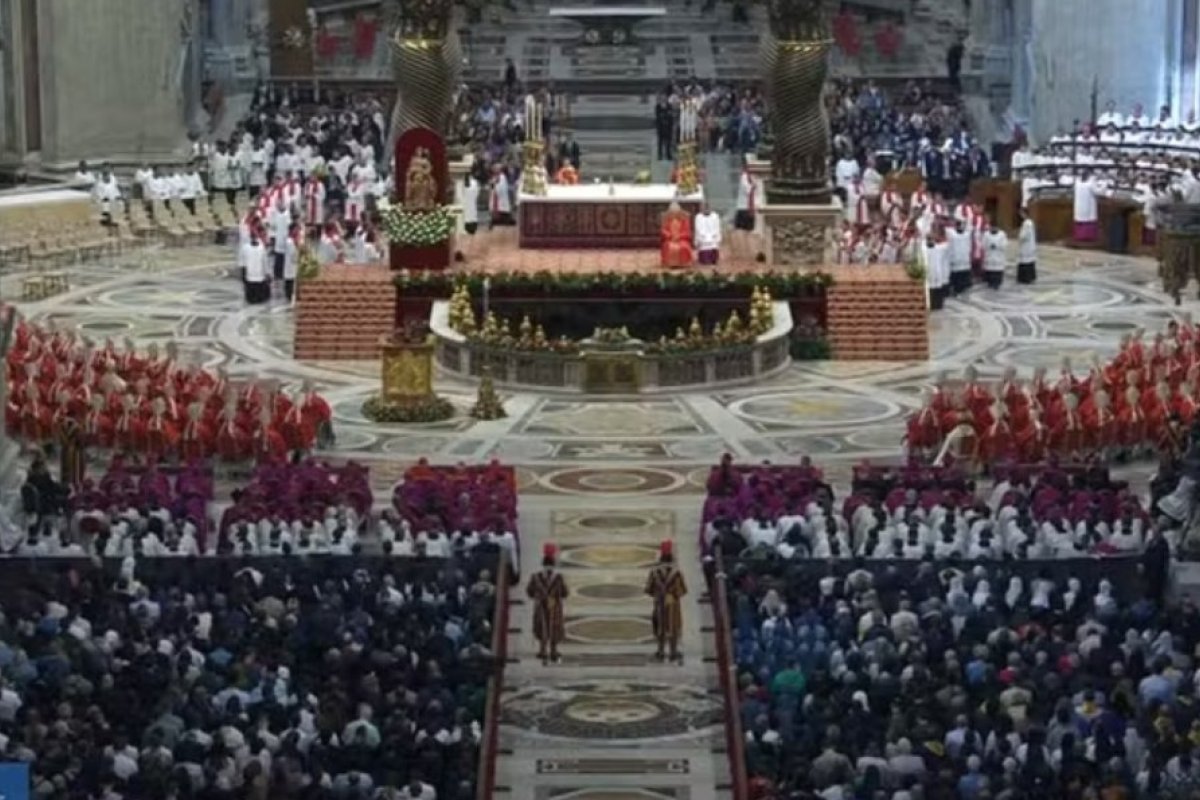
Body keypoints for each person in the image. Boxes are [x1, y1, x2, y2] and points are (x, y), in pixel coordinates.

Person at [646, 540, 688, 662]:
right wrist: (672, 594)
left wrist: (659, 593)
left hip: (659, 601)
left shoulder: (655, 571)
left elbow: (649, 589)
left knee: (660, 627)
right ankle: (673, 652)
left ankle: (660, 651)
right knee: (673, 627)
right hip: (673, 603)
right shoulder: (676, 572)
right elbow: (682, 590)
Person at [527, 543, 568, 663]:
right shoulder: (558, 578)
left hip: (540, 606)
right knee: (554, 627)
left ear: (543, 565)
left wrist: (538, 596)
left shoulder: (535, 577)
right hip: (554, 606)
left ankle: (543, 651)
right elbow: (565, 593)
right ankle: (553, 651)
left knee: (542, 627)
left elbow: (529, 591)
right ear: (553, 565)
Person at [1073, 169, 1106, 243]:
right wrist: (1104, 184)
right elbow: (1099, 192)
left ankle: (1080, 237)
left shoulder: (1077, 183)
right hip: (1088, 207)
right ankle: (1088, 237)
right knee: (1088, 221)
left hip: (1080, 207)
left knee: (1081, 221)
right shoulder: (1090, 184)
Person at [660, 202, 694, 268]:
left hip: (681, 239)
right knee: (668, 247)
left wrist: (679, 236)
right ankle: (669, 264)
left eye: (676, 212)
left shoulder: (684, 220)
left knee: (684, 247)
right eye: (672, 212)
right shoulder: (667, 219)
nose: (674, 213)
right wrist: (669, 235)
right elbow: (663, 230)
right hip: (670, 239)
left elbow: (687, 231)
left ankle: (684, 263)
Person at [947, 219, 972, 295]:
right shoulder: (951, 234)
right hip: (955, 258)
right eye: (959, 226)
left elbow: (969, 245)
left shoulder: (967, 235)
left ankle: (963, 287)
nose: (961, 227)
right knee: (955, 275)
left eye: (962, 226)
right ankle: (955, 288)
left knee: (963, 274)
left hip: (964, 258)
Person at [243, 229, 269, 304]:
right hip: (252, 275)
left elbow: (265, 262)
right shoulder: (247, 248)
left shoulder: (261, 248)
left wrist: (266, 273)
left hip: (258, 276)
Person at [461, 172, 481, 260]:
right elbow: (477, 194)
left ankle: (468, 253)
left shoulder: (472, 183)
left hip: (468, 214)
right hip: (469, 214)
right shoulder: (474, 183)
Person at [983, 223, 1008, 290]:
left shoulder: (1002, 234)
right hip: (990, 255)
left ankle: (997, 283)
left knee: (997, 271)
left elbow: (1005, 244)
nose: (993, 229)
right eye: (992, 227)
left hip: (998, 256)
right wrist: (989, 246)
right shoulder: (986, 234)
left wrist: (997, 246)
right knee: (990, 270)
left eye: (995, 227)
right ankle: (990, 282)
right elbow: (983, 244)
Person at [1017, 208, 1038, 284]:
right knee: (1028, 261)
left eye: (1021, 213)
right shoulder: (1029, 222)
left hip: (1027, 246)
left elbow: (1024, 235)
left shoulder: (1027, 223)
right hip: (1028, 246)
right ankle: (1029, 277)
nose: (1020, 215)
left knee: (1026, 261)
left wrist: (1020, 237)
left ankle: (1026, 278)